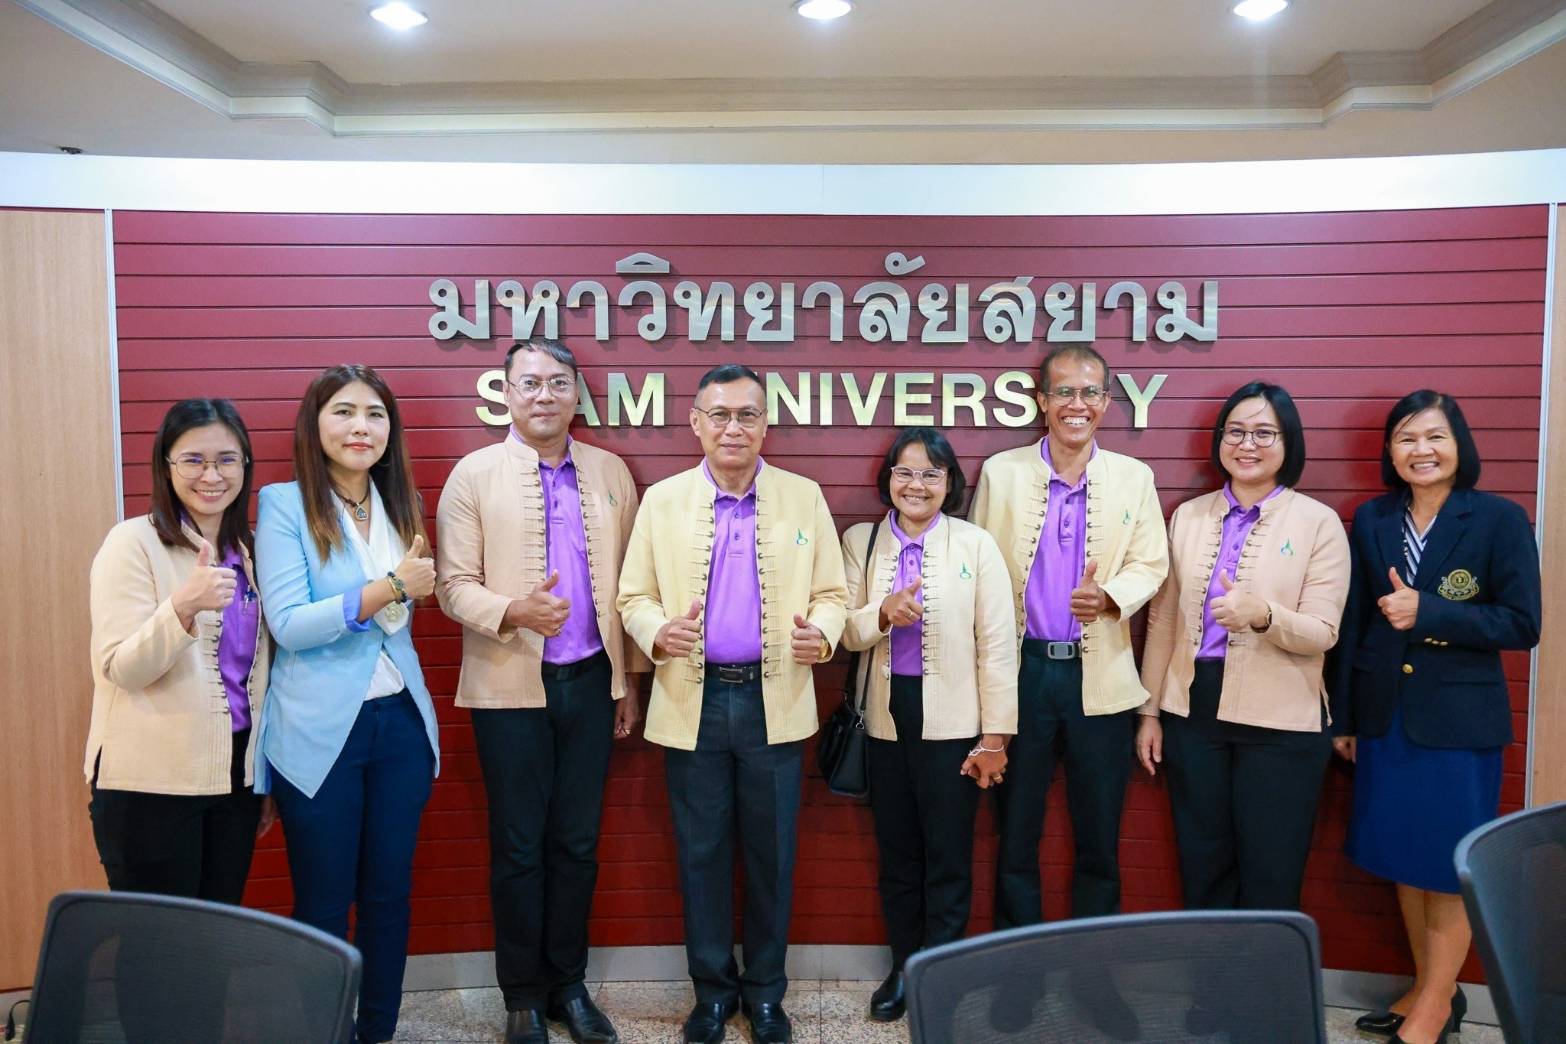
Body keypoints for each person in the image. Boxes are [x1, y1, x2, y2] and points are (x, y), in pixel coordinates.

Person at [617, 363, 848, 1044]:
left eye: (747, 414)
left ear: (765, 424)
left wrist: (823, 634)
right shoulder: (663, 500)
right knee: (701, 855)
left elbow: (833, 595)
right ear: (696, 423)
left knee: (773, 856)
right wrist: (656, 630)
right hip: (694, 700)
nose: (733, 427)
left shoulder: (803, 497)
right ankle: (712, 995)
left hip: (776, 700)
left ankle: (767, 995)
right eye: (719, 414)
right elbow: (632, 596)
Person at [436, 338, 644, 1044]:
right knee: (519, 847)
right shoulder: (473, 475)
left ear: (576, 393)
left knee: (577, 844)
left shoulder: (610, 472)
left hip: (591, 683)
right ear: (506, 393)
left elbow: (631, 589)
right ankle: (521, 996)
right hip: (508, 691)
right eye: (529, 383)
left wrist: (626, 681)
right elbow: (451, 586)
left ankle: (568, 987)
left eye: (558, 382)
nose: (544, 395)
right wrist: (513, 611)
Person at [1135, 383, 1349, 1030]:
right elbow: (1163, 620)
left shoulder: (1317, 522)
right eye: (1236, 431)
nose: (1247, 444)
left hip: (1282, 721)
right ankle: (1213, 992)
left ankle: (1267, 1003)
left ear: (1288, 443)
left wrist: (1263, 615)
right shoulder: (1189, 517)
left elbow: (1323, 633)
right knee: (1205, 863)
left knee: (1271, 870)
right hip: (1193, 709)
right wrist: (1150, 712)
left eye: (1263, 432)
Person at [969, 344, 1167, 1034]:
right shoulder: (1001, 473)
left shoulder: (1134, 478)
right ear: (1041, 401)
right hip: (1022, 673)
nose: (1076, 405)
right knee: (1015, 836)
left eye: (1089, 393)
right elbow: (977, 566)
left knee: (1099, 842)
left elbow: (1153, 562)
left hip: (1100, 679)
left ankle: (1094, 979)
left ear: (1107, 402)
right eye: (1063, 392)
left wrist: (1110, 597)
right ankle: (1018, 977)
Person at [1331, 391, 1540, 1044]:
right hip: (1386, 717)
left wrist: (1432, 612)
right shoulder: (1374, 518)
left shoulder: (1499, 519)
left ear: (1459, 445)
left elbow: (1522, 623)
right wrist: (1345, 718)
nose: (1420, 450)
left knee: (1447, 865)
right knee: (1403, 854)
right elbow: (1356, 621)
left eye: (1434, 437)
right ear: (1390, 452)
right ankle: (1432, 990)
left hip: (1459, 724)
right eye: (1406, 439)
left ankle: (1433, 1004)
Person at [253, 364, 441, 1044]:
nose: (361, 427)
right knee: (324, 901)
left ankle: (378, 1029)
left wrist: (399, 591)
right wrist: (391, 586)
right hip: (318, 730)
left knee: (389, 895)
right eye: (344, 412)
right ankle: (323, 1031)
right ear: (315, 424)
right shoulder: (284, 504)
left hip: (401, 725)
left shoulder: (399, 502)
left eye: (375, 414)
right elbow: (289, 625)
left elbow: (403, 616)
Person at [840, 427, 1017, 1023]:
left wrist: (995, 735)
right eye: (905, 472)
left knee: (948, 855)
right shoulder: (862, 542)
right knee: (898, 855)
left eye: (931, 474)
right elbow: (845, 630)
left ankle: (940, 974)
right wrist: (881, 613)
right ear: (888, 478)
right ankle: (903, 967)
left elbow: (998, 645)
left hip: (956, 726)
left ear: (950, 483)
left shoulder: (975, 545)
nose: (916, 485)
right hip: (885, 721)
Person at [87, 397, 273, 900]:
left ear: (245, 466)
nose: (211, 475)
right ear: (166, 466)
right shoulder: (132, 543)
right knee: (158, 937)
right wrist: (183, 607)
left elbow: (257, 680)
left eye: (226, 459)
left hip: (234, 776)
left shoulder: (252, 552)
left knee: (215, 931)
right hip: (150, 781)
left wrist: (259, 777)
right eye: (193, 460)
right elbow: (121, 667)